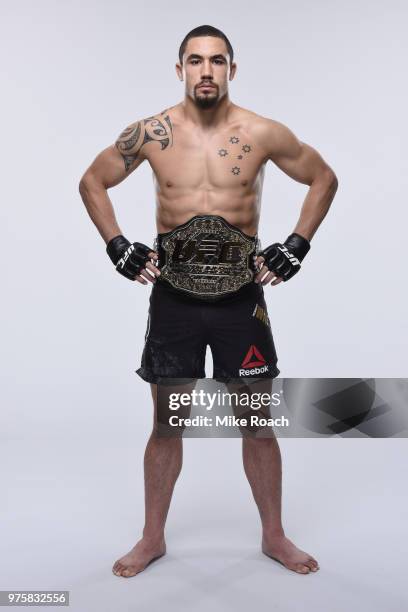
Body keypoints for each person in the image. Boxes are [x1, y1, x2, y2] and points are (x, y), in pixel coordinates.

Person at [79, 24, 338, 577]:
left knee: (256, 420)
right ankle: (152, 538)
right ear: (180, 69)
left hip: (241, 300)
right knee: (167, 423)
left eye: (216, 61)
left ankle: (274, 535)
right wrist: (117, 245)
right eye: (195, 61)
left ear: (231, 69)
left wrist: (297, 245)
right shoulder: (151, 133)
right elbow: (92, 182)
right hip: (172, 299)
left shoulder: (262, 132)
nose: (205, 71)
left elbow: (323, 178)